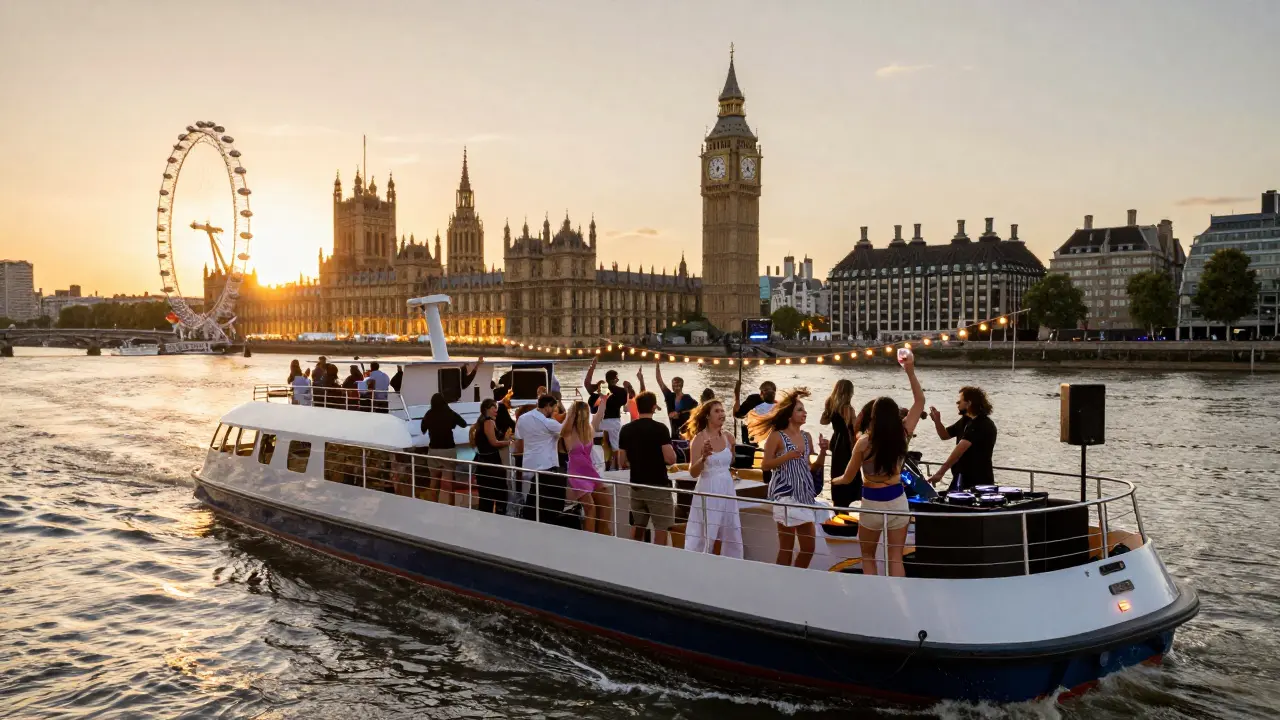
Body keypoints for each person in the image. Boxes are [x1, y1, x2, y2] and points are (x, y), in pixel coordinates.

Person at [835, 356, 925, 577]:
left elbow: (847, 478)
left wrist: (832, 481)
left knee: (868, 556)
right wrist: (910, 371)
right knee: (895, 557)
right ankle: (898, 598)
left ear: (873, 417)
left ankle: (874, 599)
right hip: (897, 501)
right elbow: (919, 402)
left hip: (872, 503)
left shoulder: (864, 443)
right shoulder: (903, 435)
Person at [749, 388, 828, 569]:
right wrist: (787, 456)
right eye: (799, 409)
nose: (804, 413)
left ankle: (796, 578)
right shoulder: (777, 437)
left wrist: (823, 451)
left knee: (809, 548)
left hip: (804, 493)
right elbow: (766, 465)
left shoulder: (807, 436)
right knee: (787, 547)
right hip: (785, 493)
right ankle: (782, 582)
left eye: (804, 409)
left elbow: (812, 467)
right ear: (789, 414)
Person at [683, 400, 743, 558]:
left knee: (731, 527)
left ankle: (731, 562)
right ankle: (700, 562)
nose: (722, 414)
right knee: (707, 530)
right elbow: (693, 473)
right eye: (717, 411)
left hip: (727, 487)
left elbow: (731, 462)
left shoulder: (729, 437)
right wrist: (703, 458)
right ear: (708, 416)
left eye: (722, 411)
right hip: (708, 487)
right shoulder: (699, 439)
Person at [616, 391, 677, 546]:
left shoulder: (626, 429)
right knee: (661, 528)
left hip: (636, 485)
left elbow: (621, 461)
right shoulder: (660, 429)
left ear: (637, 407)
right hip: (658, 486)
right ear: (654, 407)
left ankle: (635, 557)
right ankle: (658, 561)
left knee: (638, 526)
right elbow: (670, 459)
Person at [927, 386, 997, 490]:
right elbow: (944, 435)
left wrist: (940, 473)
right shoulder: (966, 421)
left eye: (960, 401)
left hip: (978, 480)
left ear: (969, 403)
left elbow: (959, 450)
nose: (957, 403)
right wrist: (937, 421)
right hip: (961, 477)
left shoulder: (981, 424)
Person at [560, 399, 612, 534]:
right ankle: (590, 540)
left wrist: (603, 401)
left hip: (590, 470)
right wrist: (573, 411)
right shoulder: (568, 432)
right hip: (576, 472)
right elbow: (564, 430)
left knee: (605, 501)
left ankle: (603, 533)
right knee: (590, 507)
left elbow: (599, 415)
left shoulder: (589, 429)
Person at [514, 395, 566, 524]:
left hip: (529, 464)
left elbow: (519, 441)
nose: (554, 411)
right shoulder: (548, 423)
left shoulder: (522, 418)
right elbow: (566, 431)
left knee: (531, 499)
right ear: (547, 406)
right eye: (553, 408)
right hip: (546, 466)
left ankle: (529, 520)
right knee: (546, 502)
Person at [420, 392, 468, 504]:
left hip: (433, 450)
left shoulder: (429, 414)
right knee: (448, 482)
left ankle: (434, 504)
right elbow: (464, 424)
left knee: (434, 481)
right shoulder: (450, 413)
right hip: (448, 450)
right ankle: (450, 506)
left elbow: (423, 430)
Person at [583, 357, 628, 468]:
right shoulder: (621, 391)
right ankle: (616, 467)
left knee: (596, 445)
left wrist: (592, 366)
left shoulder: (595, 396)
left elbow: (587, 383)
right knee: (616, 447)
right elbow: (624, 401)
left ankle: (598, 464)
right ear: (616, 379)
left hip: (598, 422)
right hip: (613, 421)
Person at [472, 398, 511, 514]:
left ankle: (486, 517)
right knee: (500, 492)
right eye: (493, 407)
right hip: (491, 463)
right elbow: (493, 442)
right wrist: (508, 442)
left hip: (484, 463)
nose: (496, 410)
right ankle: (499, 516)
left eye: (496, 407)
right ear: (486, 409)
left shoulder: (481, 422)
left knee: (486, 495)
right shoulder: (488, 422)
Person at [821, 379, 857, 507]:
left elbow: (823, 421)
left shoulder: (830, 404)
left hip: (836, 441)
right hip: (846, 443)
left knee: (836, 471)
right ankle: (848, 503)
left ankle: (838, 503)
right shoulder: (848, 408)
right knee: (850, 472)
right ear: (849, 392)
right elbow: (852, 428)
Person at [655, 360, 698, 437]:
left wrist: (680, 413)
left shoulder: (687, 398)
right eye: (673, 385)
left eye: (677, 385)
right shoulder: (669, 396)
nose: (675, 387)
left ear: (681, 386)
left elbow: (697, 408)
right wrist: (657, 366)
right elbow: (659, 381)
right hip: (674, 432)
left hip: (686, 433)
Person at [733, 380, 777, 445]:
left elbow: (737, 414)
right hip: (772, 442)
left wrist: (737, 395)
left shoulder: (753, 400)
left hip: (752, 442)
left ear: (761, 393)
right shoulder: (779, 407)